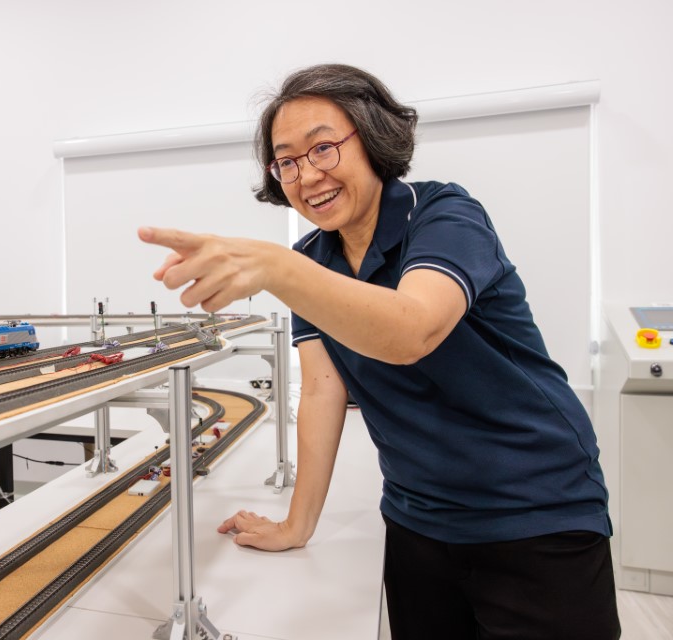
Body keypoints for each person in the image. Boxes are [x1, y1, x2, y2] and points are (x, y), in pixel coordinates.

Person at [138, 63, 620, 639]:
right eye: (286, 160)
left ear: (372, 137)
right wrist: (297, 525)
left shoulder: (443, 214)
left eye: (323, 148)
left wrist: (276, 266)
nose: (306, 175)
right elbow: (321, 390)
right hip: (418, 516)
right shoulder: (314, 260)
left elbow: (411, 331)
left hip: (534, 509)